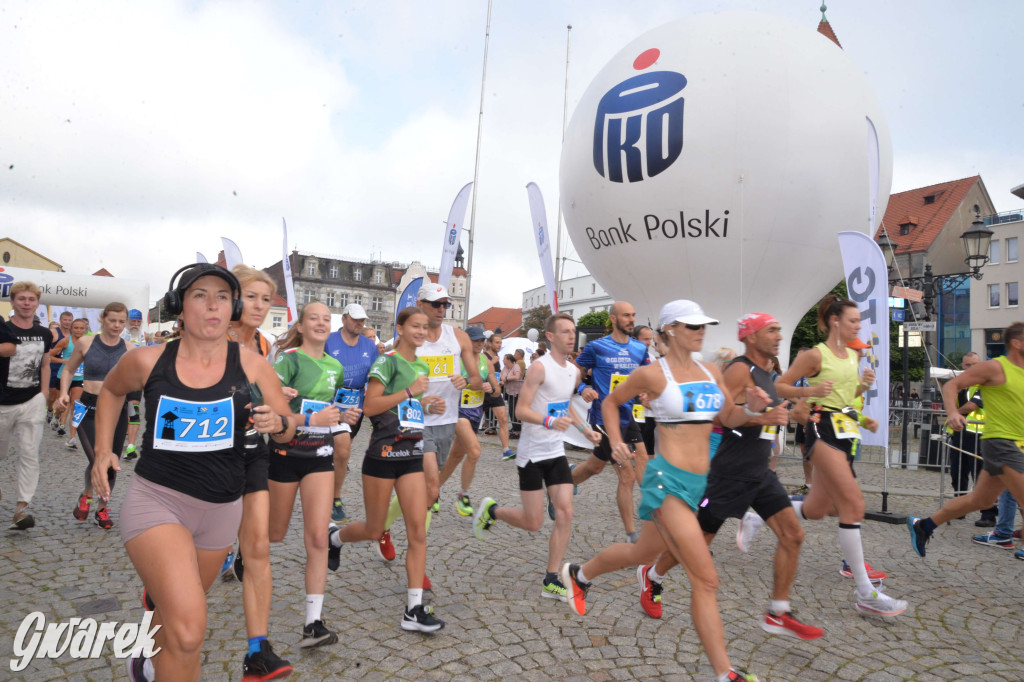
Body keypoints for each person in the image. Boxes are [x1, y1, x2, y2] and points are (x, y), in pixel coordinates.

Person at [89, 264, 298, 682]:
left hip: (221, 511)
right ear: (179, 307)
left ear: (233, 306)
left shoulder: (253, 366)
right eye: (199, 295)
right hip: (158, 501)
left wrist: (278, 424)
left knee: (174, 626)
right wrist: (101, 451)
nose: (212, 305)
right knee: (189, 631)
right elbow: (111, 391)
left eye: (222, 296)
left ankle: (146, 667)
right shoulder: (147, 360)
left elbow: (288, 424)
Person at [559, 300, 771, 682]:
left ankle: (579, 574)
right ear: (670, 329)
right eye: (692, 326)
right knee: (705, 577)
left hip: (698, 485)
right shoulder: (653, 375)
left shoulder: (712, 371)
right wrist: (618, 441)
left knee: (642, 551)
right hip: (665, 480)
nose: (701, 331)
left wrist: (753, 411)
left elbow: (727, 417)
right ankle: (726, 673)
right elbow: (611, 401)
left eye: (704, 325)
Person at [775, 295, 907, 617]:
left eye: (858, 321)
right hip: (820, 430)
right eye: (853, 321)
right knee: (854, 504)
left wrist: (862, 396)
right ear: (835, 321)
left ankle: (756, 514)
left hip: (846, 430)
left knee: (819, 509)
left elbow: (844, 401)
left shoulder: (852, 354)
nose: (858, 325)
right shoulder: (813, 355)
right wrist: (808, 392)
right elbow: (781, 386)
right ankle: (865, 593)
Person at [328, 307, 445, 632]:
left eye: (425, 326)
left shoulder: (421, 365)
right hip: (382, 453)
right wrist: (410, 391)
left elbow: (405, 407)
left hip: (411, 452)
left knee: (417, 532)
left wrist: (426, 405)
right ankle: (335, 538)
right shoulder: (387, 361)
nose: (421, 331)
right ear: (401, 328)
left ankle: (414, 609)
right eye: (415, 326)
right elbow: (371, 406)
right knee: (374, 528)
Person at [473, 313, 601, 600]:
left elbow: (565, 405)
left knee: (565, 512)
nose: (571, 336)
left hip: (555, 452)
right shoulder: (539, 368)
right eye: (565, 332)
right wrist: (548, 422)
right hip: (532, 455)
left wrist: (585, 430)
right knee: (533, 523)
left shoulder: (573, 371)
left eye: (573, 331)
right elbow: (521, 411)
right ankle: (492, 511)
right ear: (551, 337)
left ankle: (551, 578)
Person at [268, 302, 360, 649]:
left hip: (319, 455)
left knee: (319, 538)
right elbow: (267, 401)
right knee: (274, 534)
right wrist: (282, 397)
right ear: (302, 326)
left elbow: (328, 413)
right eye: (314, 319)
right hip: (285, 452)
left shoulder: (335, 365)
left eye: (326, 319)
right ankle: (243, 551)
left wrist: (343, 417)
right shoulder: (288, 359)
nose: (321, 323)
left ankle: (313, 623)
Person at [378, 283, 481, 567]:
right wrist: (419, 402)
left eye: (444, 304)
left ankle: (382, 528)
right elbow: (391, 389)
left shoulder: (457, 337)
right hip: (414, 422)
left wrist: (466, 381)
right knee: (433, 486)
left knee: (428, 491)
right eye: (435, 303)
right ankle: (417, 560)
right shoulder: (410, 341)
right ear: (420, 304)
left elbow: (477, 379)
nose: (440, 309)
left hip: (446, 421)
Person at [224, 264, 293, 681]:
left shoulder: (264, 344)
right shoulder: (208, 337)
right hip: (206, 460)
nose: (259, 306)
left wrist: (276, 401)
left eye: (266, 299)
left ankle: (257, 652)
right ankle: (161, 596)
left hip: (253, 452)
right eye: (251, 296)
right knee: (201, 557)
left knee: (258, 550)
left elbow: (262, 394)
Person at [908, 321, 1024, 561]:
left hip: (1017, 444)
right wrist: (953, 413)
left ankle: (925, 526)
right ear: (1016, 343)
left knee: (980, 500)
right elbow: (953, 385)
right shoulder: (995, 368)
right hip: (1002, 443)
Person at [570, 301, 650, 542]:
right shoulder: (597, 347)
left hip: (628, 415)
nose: (631, 319)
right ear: (614, 319)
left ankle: (568, 477)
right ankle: (631, 536)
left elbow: (646, 378)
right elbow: (573, 373)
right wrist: (583, 387)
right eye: (626, 315)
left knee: (598, 466)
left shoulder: (639, 349)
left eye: (633, 315)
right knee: (626, 473)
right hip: (603, 418)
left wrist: (647, 393)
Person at [56, 306, 129, 530]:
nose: (117, 325)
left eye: (121, 321)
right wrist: (63, 393)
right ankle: (86, 495)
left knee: (110, 463)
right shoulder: (86, 343)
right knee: (96, 458)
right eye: (113, 320)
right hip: (88, 407)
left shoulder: (130, 349)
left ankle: (101, 507)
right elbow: (68, 369)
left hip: (118, 410)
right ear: (102, 319)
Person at [0, 281, 51, 530]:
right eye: (22, 299)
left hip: (32, 400)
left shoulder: (45, 334)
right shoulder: (4, 329)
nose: (27, 303)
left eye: (31, 299)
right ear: (13, 302)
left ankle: (21, 509)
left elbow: (45, 364)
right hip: (3, 401)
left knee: (29, 454)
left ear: (37, 303)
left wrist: (43, 394)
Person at [325, 302, 379, 523]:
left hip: (355, 404)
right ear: (344, 319)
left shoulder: (368, 345)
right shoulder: (328, 340)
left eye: (362, 320)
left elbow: (376, 375)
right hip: (328, 401)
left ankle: (328, 488)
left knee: (340, 449)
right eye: (355, 319)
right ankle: (334, 499)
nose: (360, 323)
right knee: (342, 448)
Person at [437, 325, 497, 516]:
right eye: (475, 340)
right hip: (458, 412)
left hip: (475, 414)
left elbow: (497, 390)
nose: (480, 344)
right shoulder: (457, 359)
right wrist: (466, 384)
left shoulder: (485, 361)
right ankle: (464, 495)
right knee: (475, 451)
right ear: (466, 341)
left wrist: (490, 387)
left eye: (482, 341)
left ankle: (433, 491)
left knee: (455, 457)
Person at [49, 317, 88, 448]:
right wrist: (63, 361)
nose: (78, 330)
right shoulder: (66, 341)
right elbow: (49, 356)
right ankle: (56, 416)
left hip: (79, 378)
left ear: (85, 329)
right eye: (76, 327)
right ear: (71, 329)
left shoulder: (89, 342)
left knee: (76, 406)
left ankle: (72, 438)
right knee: (62, 404)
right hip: (64, 377)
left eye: (81, 328)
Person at [121, 309, 149, 461]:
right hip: (118, 379)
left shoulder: (143, 336)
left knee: (134, 409)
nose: (136, 324)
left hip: (136, 380)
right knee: (118, 411)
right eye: (133, 321)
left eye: (138, 321)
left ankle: (131, 445)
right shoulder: (120, 334)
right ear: (127, 321)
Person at [482, 332, 514, 459]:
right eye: (497, 342)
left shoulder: (497, 357)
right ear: (489, 343)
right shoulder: (483, 356)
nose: (499, 345)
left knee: (503, 419)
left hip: (495, 392)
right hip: (482, 392)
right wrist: (491, 361)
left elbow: (496, 373)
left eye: (500, 342)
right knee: (472, 421)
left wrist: (501, 379)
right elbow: (480, 372)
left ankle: (506, 450)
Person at [46, 310, 73, 430]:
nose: (67, 322)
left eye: (69, 320)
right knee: (52, 395)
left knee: (65, 394)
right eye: (65, 320)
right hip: (54, 364)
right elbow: (47, 352)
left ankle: (59, 418)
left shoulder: (74, 333)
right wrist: (61, 361)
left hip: (69, 368)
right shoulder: (54, 332)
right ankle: (50, 410)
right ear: (61, 321)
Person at [499, 353, 523, 446]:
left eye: (504, 359)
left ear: (509, 359)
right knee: (511, 411)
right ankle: (515, 429)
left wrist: (506, 378)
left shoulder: (515, 366)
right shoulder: (505, 368)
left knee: (515, 411)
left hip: (517, 392)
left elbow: (517, 377)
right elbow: (501, 375)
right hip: (509, 392)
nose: (503, 360)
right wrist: (503, 379)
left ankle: (518, 431)